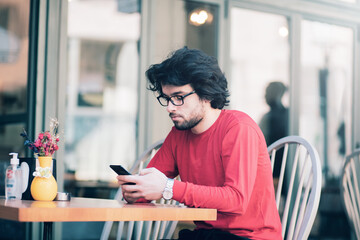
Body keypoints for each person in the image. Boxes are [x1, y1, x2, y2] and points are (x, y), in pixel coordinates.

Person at [117, 47, 282, 240]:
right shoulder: (178, 134)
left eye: (178, 97)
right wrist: (135, 189)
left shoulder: (238, 128)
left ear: (206, 93)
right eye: (167, 99)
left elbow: (236, 200)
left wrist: (168, 188)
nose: (170, 107)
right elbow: (150, 188)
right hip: (206, 235)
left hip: (251, 237)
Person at [259, 81, 289, 179]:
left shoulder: (270, 117)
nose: (265, 96)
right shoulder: (287, 114)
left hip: (275, 167)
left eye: (267, 93)